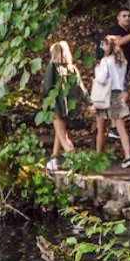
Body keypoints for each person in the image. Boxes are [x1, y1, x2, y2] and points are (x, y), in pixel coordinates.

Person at [94, 19, 130, 167]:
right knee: (121, 127)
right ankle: (127, 156)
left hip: (105, 95)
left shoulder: (105, 61)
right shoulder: (122, 61)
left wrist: (98, 68)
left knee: (101, 127)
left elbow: (101, 79)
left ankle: (98, 156)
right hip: (118, 93)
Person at [43, 40, 87, 172]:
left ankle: (76, 161)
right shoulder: (72, 68)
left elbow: (46, 88)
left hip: (56, 106)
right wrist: (89, 102)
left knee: (63, 136)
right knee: (59, 133)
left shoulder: (52, 67)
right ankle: (54, 159)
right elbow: (81, 88)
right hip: (68, 107)